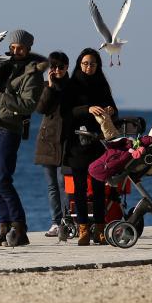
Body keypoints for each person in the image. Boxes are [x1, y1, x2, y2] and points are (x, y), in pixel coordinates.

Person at [0, 29, 45, 247]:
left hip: (8, 129)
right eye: (13, 47)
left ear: (29, 49)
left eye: (20, 48)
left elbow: (28, 105)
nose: (16, 51)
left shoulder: (33, 74)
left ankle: (20, 228)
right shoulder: (1, 64)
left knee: (4, 180)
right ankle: (4, 228)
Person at [63, 48, 117, 245]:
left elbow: (114, 109)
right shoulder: (72, 84)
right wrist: (87, 109)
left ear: (98, 66)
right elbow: (67, 112)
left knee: (99, 187)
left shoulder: (101, 84)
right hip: (77, 142)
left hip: (98, 142)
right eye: (85, 63)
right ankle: (83, 229)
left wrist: (111, 110)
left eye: (92, 64)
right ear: (79, 64)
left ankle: (100, 230)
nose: (88, 67)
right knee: (79, 188)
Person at [34, 51, 70, 237]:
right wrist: (49, 87)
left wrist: (57, 86)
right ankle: (55, 223)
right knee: (51, 186)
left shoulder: (72, 86)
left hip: (65, 141)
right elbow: (41, 109)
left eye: (60, 67)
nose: (56, 70)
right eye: (53, 67)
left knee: (63, 184)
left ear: (66, 67)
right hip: (47, 140)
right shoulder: (46, 86)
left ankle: (67, 221)